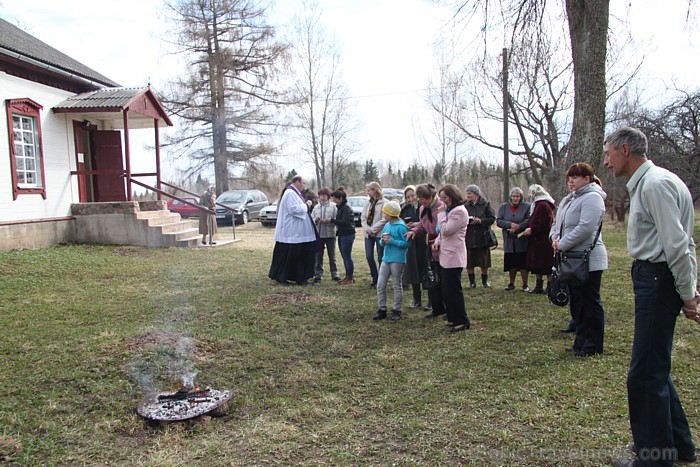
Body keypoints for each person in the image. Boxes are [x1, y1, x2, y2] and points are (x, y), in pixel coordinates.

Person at [604, 127, 698, 467]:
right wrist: (688, 290)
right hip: (656, 278)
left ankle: (655, 459)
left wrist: (688, 295)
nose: (606, 161)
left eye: (609, 153)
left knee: (644, 373)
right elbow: (683, 242)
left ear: (625, 150)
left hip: (658, 280)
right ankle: (680, 446)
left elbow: (677, 245)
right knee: (654, 366)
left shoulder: (655, 185)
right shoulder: (656, 181)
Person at [549, 163, 608, 357]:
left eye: (575, 177)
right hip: (571, 258)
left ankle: (593, 344)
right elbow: (558, 224)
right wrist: (555, 239)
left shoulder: (593, 198)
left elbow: (585, 228)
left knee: (589, 301)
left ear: (587, 179)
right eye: (569, 178)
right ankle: (580, 341)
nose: (570, 181)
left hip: (588, 258)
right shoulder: (569, 199)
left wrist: (563, 243)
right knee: (577, 302)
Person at [433, 184, 470, 332]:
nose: (442, 202)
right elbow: (442, 234)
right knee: (447, 291)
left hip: (454, 257)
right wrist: (437, 242)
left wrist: (440, 214)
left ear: (453, 196)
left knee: (454, 291)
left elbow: (446, 230)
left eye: (445, 198)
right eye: (441, 199)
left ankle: (462, 320)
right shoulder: (450, 211)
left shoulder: (459, 212)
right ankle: (453, 318)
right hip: (445, 256)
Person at [268, 175, 317, 286]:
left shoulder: (294, 193)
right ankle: (284, 277)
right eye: (303, 183)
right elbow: (294, 209)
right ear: (297, 182)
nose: (304, 186)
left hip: (298, 233)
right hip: (293, 233)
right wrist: (307, 205)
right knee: (292, 256)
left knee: (297, 256)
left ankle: (298, 277)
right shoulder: (290, 193)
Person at [406, 183, 445, 318]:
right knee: (431, 276)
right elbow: (422, 225)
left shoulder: (441, 207)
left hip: (442, 245)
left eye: (423, 198)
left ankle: (445, 307)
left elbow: (444, 228)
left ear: (430, 197)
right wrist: (414, 232)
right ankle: (436, 308)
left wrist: (438, 239)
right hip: (430, 245)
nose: (420, 201)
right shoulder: (423, 208)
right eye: (420, 198)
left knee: (443, 279)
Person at [374, 201, 410, 321]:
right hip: (386, 258)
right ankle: (382, 309)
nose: (383, 214)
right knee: (380, 284)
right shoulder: (387, 225)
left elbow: (407, 243)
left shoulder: (401, 227)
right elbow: (381, 241)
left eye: (385, 213)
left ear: (391, 214)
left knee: (396, 284)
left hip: (397, 260)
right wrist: (383, 241)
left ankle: (397, 310)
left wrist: (392, 241)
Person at [521, 184, 555, 295]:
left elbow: (545, 224)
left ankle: (550, 287)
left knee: (546, 265)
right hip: (537, 241)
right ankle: (539, 286)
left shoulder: (543, 205)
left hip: (543, 241)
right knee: (538, 265)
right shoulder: (538, 204)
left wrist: (532, 229)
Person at [496, 187, 530, 291]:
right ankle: (511, 283)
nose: (515, 198)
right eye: (513, 196)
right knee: (511, 263)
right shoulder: (503, 207)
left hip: (522, 239)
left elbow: (529, 219)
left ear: (521, 197)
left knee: (523, 263)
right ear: (510, 197)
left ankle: (525, 285)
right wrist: (510, 225)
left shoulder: (527, 206)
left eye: (517, 196)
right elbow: (499, 221)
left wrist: (519, 227)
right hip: (509, 240)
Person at [464, 184, 496, 288]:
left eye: (470, 193)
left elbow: (492, 218)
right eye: (467, 193)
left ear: (476, 194)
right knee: (469, 260)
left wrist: (481, 221)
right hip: (469, 236)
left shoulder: (486, 204)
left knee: (484, 261)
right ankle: (472, 282)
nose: (468, 195)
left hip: (482, 236)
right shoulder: (465, 205)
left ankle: (484, 281)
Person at [400, 185, 423, 308]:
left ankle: (431, 301)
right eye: (408, 197)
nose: (411, 199)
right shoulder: (405, 209)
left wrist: (417, 224)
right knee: (413, 269)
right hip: (411, 241)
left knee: (424, 269)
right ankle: (416, 299)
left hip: (423, 241)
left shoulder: (423, 207)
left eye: (413, 195)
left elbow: (428, 222)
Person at [361, 181, 387, 287]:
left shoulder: (384, 203)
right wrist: (368, 229)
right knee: (369, 256)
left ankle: (381, 280)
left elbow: (384, 219)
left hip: (379, 233)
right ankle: (374, 277)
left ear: (375, 190)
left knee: (381, 257)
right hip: (368, 234)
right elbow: (363, 218)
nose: (368, 193)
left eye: (369, 190)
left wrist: (373, 230)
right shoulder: (368, 203)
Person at [312, 188, 340, 283]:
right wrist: (316, 219)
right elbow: (312, 219)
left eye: (324, 195)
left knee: (332, 255)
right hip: (319, 235)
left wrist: (330, 221)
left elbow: (337, 219)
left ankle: (335, 274)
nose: (322, 198)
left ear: (328, 196)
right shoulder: (316, 207)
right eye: (321, 196)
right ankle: (318, 274)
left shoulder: (333, 207)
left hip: (330, 234)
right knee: (318, 255)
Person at [330, 187, 356, 285]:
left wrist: (332, 220)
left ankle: (350, 277)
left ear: (340, 198)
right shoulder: (341, 207)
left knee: (347, 256)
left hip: (347, 234)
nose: (334, 201)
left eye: (335, 199)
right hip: (342, 234)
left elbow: (344, 222)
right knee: (345, 256)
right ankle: (348, 276)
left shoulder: (346, 208)